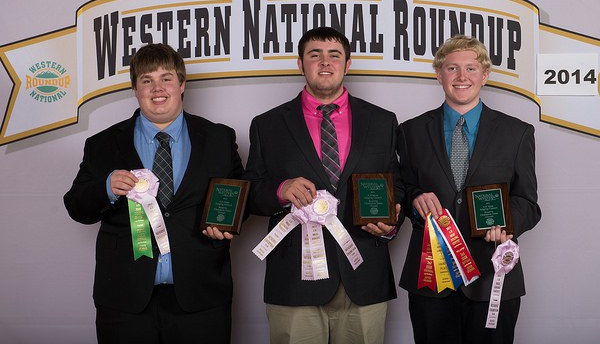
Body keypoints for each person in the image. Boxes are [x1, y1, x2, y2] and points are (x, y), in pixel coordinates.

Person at [64, 43, 244, 344]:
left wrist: (226, 224)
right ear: (136, 88)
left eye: (166, 78)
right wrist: (106, 188)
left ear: (182, 84)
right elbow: (76, 207)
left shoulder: (219, 138)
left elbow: (239, 195)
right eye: (146, 80)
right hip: (125, 300)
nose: (157, 88)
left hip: (200, 297)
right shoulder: (103, 144)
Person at [244, 26, 404, 344]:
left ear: (347, 64)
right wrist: (279, 190)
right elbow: (250, 192)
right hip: (294, 279)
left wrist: (390, 221)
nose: (325, 62)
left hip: (364, 274)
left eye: (334, 55)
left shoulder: (382, 121)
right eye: (315, 55)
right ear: (300, 64)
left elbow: (397, 186)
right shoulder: (268, 124)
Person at [397, 35, 542, 344]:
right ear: (439, 74)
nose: (462, 77)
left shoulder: (517, 133)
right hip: (430, 280)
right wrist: (414, 198)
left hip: (493, 276)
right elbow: (402, 189)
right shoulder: (409, 132)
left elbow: (528, 202)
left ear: (485, 75)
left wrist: (505, 224)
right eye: (452, 68)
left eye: (471, 69)